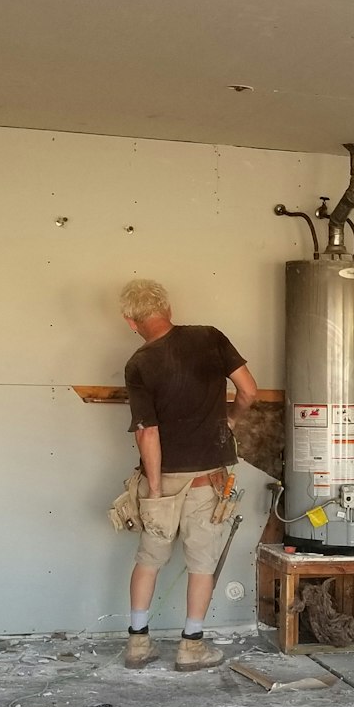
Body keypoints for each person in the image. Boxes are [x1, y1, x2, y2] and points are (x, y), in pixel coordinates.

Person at [118, 278, 260, 671]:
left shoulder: (139, 364)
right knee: (201, 562)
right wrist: (229, 419)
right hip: (207, 480)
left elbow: (148, 432)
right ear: (169, 310)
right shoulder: (210, 338)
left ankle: (137, 645)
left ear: (131, 321)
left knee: (149, 559)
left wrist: (157, 490)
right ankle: (191, 646)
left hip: (161, 480)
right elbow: (249, 390)